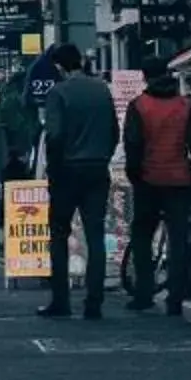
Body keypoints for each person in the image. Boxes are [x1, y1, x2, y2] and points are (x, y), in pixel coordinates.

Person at [37, 42, 115, 319]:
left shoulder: (58, 93)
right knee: (95, 236)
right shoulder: (101, 89)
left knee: (59, 234)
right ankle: (94, 303)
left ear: (59, 66)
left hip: (67, 171)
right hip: (97, 169)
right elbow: (114, 131)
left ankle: (61, 301)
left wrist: (54, 170)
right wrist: (102, 156)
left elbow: (55, 136)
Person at [121, 66, 191, 314]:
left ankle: (144, 293)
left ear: (146, 77)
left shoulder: (139, 106)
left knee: (142, 236)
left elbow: (132, 144)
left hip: (148, 179)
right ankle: (175, 298)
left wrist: (135, 174)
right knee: (178, 239)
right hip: (178, 179)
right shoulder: (186, 106)